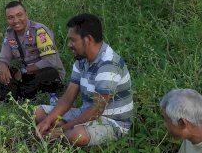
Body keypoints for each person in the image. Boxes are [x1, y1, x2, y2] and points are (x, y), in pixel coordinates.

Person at [34, 13, 133, 146]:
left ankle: (60, 134)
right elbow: (68, 98)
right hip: (85, 113)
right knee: (38, 113)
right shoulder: (81, 61)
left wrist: (62, 128)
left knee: (77, 135)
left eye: (73, 40)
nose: (69, 45)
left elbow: (97, 110)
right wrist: (48, 120)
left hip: (111, 122)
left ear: (87, 40)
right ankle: (58, 132)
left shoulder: (108, 64)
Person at [0, 1, 65, 101]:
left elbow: (49, 61)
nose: (16, 21)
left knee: (49, 73)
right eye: (11, 17)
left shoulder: (39, 31)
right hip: (25, 76)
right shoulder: (10, 33)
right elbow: (4, 57)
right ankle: (17, 93)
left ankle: (12, 94)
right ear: (7, 19)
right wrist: (2, 65)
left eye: (19, 15)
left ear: (26, 14)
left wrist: (24, 71)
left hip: (44, 73)